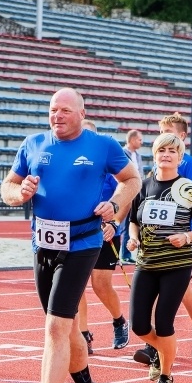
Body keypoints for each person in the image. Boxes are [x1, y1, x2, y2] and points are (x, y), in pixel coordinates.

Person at [0, 88, 141, 383]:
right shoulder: (32, 144)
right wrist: (20, 195)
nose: (57, 115)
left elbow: (132, 180)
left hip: (83, 243)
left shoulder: (102, 145)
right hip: (43, 244)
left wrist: (115, 206)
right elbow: (8, 185)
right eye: (52, 110)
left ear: (81, 111)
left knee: (54, 328)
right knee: (66, 328)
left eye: (64, 110)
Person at [127, 132, 192, 383]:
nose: (166, 155)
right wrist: (132, 239)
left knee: (164, 323)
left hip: (177, 264)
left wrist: (186, 236)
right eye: (162, 150)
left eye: (172, 151)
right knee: (139, 325)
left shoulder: (188, 189)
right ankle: (161, 353)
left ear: (180, 157)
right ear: (154, 154)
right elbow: (133, 221)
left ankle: (166, 376)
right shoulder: (143, 186)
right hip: (147, 262)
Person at [75, 119, 130, 355]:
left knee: (100, 285)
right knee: (76, 287)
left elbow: (128, 195)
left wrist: (115, 222)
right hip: (76, 233)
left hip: (105, 233)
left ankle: (119, 321)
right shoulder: (71, 165)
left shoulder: (108, 167)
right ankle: (83, 335)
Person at [120, 129, 144, 263]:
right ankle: (124, 254)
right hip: (126, 194)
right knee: (123, 225)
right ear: (133, 140)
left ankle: (127, 253)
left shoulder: (138, 156)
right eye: (139, 140)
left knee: (134, 223)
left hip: (138, 194)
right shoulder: (123, 153)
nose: (141, 142)